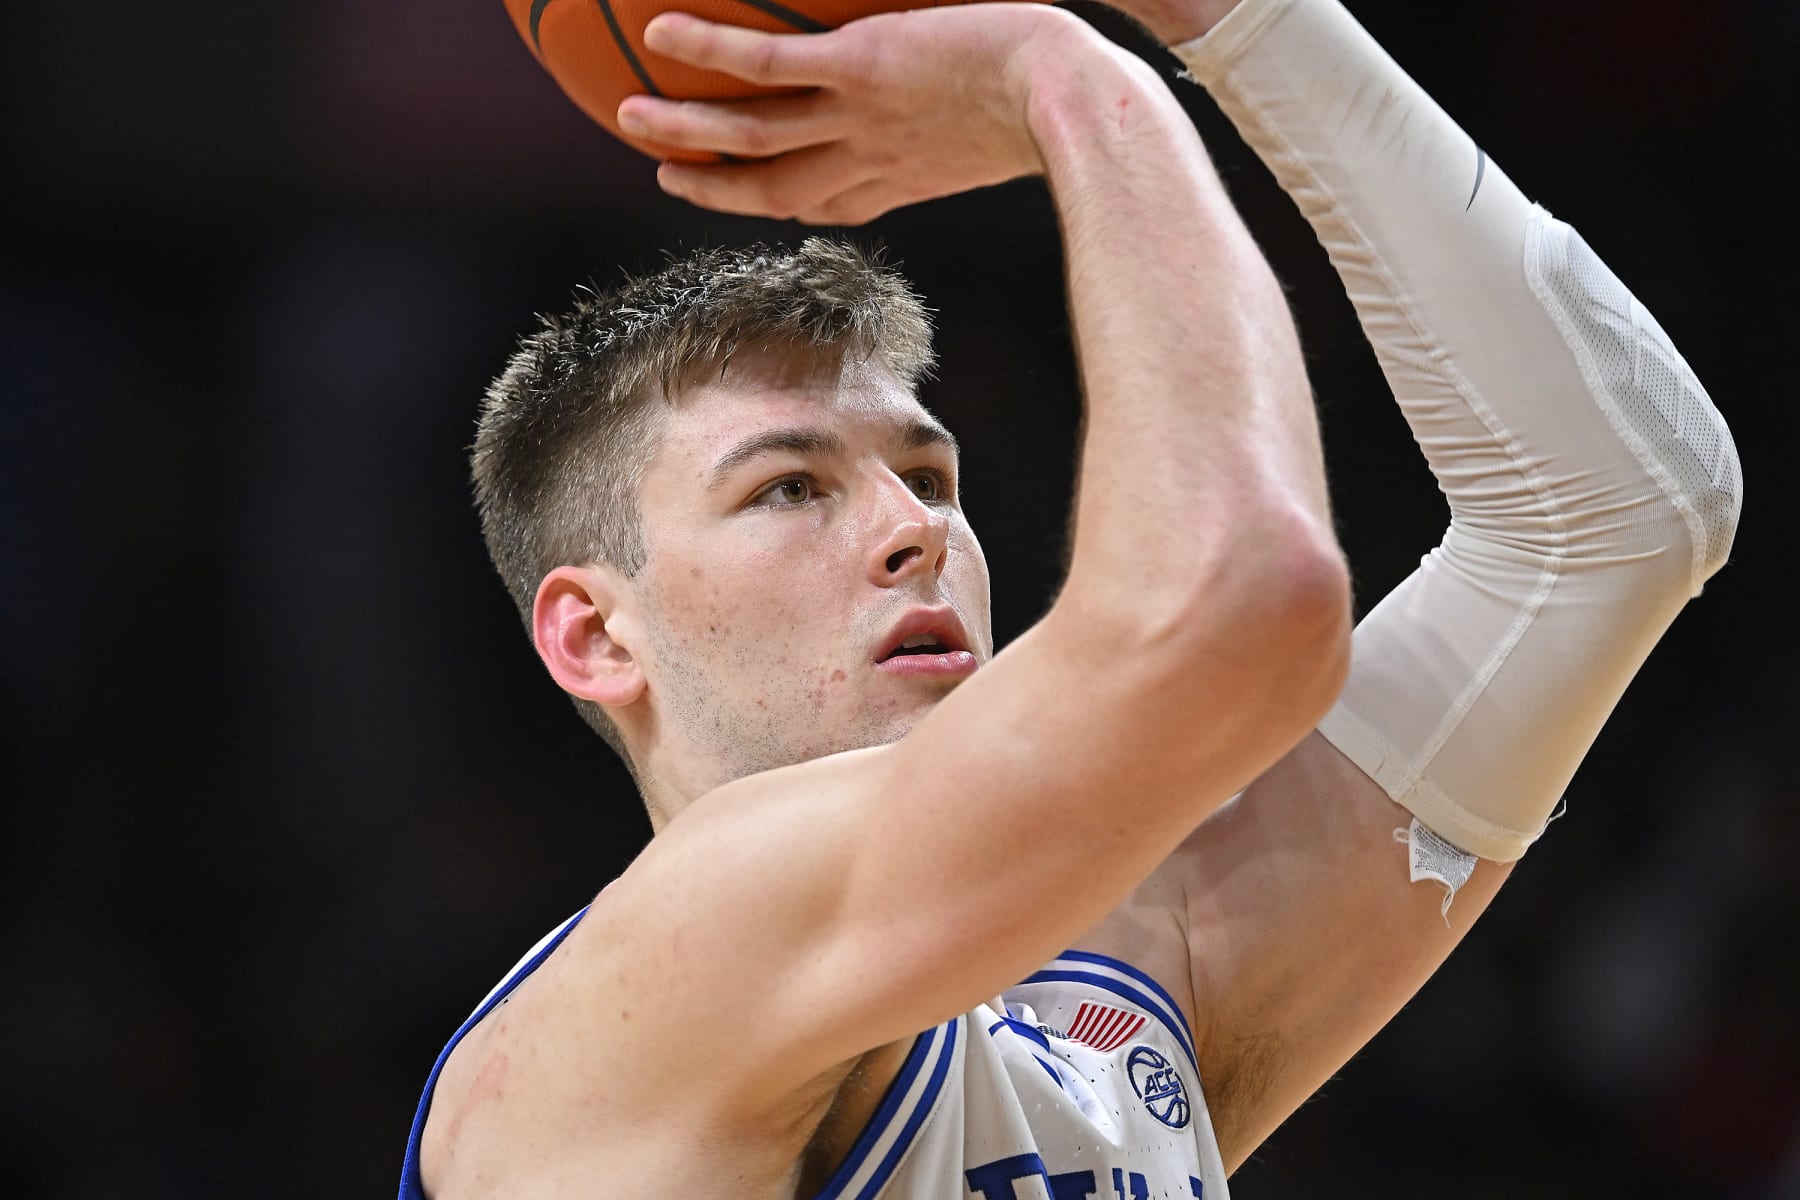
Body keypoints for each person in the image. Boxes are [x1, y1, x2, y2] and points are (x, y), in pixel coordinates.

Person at [400, 0, 1743, 1195]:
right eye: (790, 490)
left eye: (928, 474)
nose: (910, 532)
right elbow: (1251, 598)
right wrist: (1077, 78)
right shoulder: (663, 979)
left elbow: (1623, 513)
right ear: (595, 634)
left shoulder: (1117, 989)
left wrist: (1243, 18)